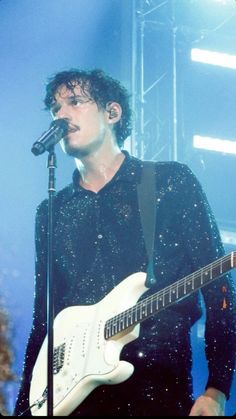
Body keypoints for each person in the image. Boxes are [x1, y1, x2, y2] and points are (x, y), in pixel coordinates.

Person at [14, 68, 235, 417]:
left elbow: (219, 288)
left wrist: (217, 388)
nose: (61, 114)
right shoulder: (52, 211)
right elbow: (45, 320)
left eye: (74, 102)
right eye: (55, 108)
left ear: (112, 113)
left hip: (157, 390)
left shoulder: (169, 182)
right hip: (73, 396)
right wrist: (25, 405)